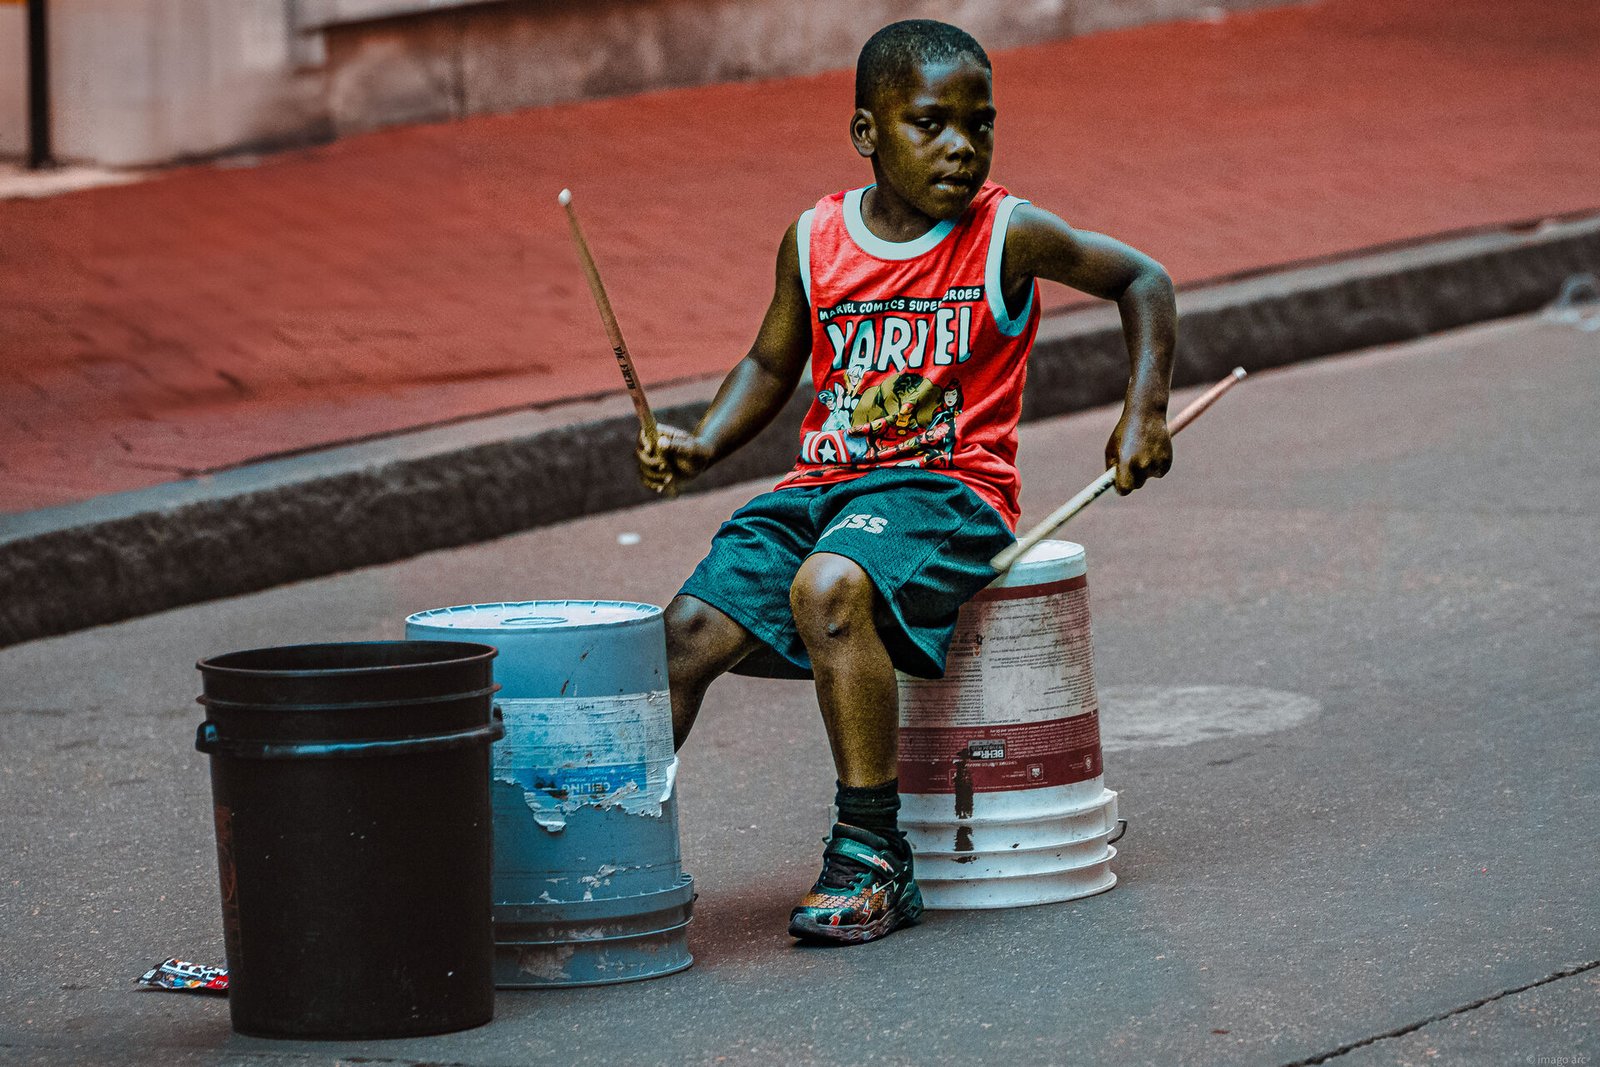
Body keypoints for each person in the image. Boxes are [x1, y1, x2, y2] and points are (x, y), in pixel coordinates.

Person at [637, 18, 1176, 945]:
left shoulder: (1007, 232)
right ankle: (611, 859)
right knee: (678, 635)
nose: (962, 147)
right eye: (931, 123)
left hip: (947, 493)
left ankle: (872, 854)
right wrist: (702, 444)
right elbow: (771, 367)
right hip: (821, 489)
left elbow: (1144, 280)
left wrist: (1144, 410)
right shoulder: (813, 240)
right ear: (867, 132)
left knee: (830, 585)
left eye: (981, 124)